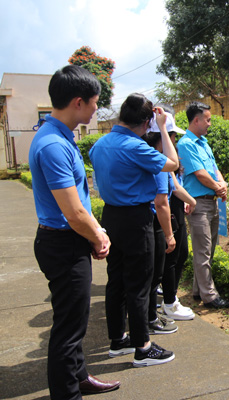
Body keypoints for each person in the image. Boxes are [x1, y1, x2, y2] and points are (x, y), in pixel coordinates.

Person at [29, 65, 119, 399]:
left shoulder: (59, 136)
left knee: (75, 317)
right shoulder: (53, 144)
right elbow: (74, 211)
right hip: (62, 243)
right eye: (95, 102)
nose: (98, 108)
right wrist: (98, 235)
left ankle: (79, 375)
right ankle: (67, 394)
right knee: (69, 327)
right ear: (78, 102)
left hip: (67, 239)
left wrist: (91, 234)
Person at [90, 94, 179, 366]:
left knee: (116, 279)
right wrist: (163, 127)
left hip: (111, 215)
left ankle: (119, 339)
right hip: (135, 218)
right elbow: (172, 164)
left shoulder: (100, 144)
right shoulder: (135, 147)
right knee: (139, 283)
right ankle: (143, 347)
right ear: (145, 123)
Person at [177, 102, 229, 309]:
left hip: (212, 202)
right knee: (202, 250)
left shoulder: (203, 143)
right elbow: (200, 174)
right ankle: (210, 297)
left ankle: (198, 291)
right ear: (197, 120)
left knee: (208, 250)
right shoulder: (186, 144)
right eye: (207, 120)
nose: (210, 123)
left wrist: (222, 184)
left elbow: (214, 169)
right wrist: (219, 188)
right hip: (198, 204)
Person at [147, 112, 197, 320]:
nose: (175, 140)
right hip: (157, 216)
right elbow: (162, 200)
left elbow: (174, 185)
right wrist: (169, 234)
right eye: (172, 135)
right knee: (167, 261)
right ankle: (167, 304)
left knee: (175, 257)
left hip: (165, 212)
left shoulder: (161, 157)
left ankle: (168, 300)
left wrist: (190, 200)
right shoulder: (156, 159)